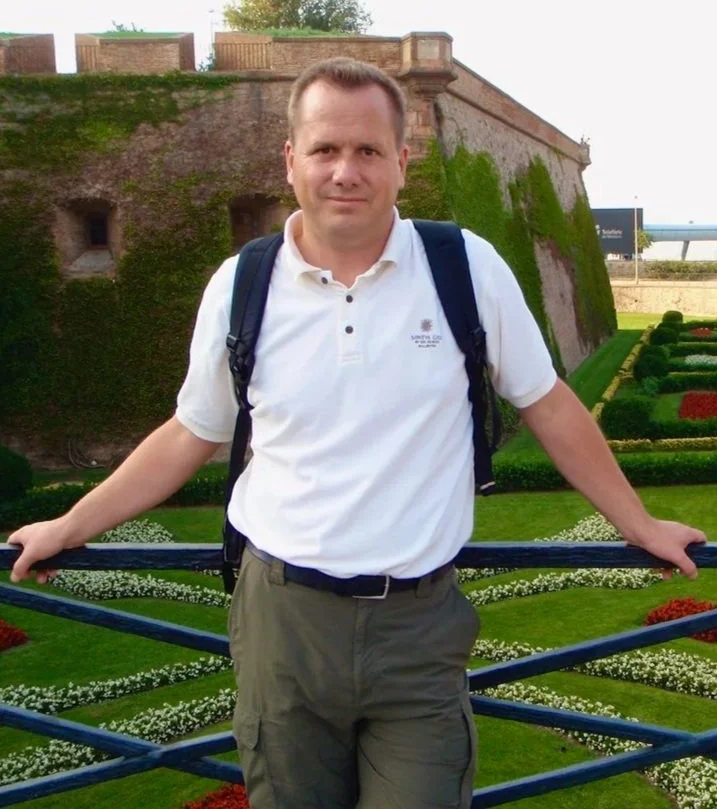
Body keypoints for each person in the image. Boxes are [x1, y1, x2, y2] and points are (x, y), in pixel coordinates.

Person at [9, 57, 706, 809]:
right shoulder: (240, 284)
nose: (346, 171)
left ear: (402, 163)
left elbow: (548, 403)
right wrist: (71, 523)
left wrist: (636, 523)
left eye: (368, 151)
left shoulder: (463, 267)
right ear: (291, 161)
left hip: (417, 624)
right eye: (325, 149)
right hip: (283, 621)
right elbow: (191, 430)